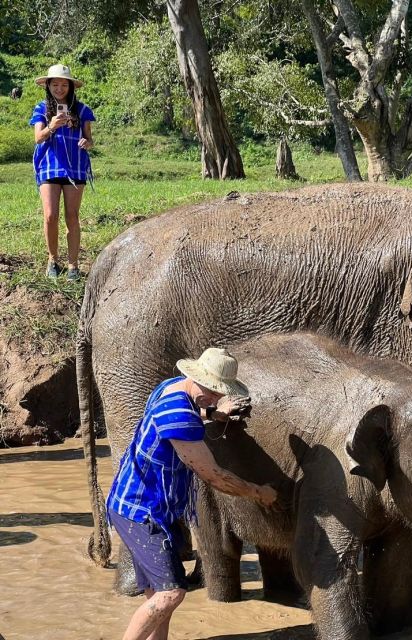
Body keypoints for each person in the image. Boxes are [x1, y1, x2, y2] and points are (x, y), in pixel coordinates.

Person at [107, 347, 279, 640]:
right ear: (194, 376)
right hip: (141, 511)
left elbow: (193, 408)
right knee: (171, 593)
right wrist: (259, 493)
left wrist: (212, 412)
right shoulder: (178, 415)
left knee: (156, 593)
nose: (213, 397)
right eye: (210, 390)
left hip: (138, 502)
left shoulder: (171, 387)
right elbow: (215, 477)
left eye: (218, 393)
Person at [29, 64, 95, 280]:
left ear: (70, 86)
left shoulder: (82, 110)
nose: (59, 88)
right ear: (48, 86)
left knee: (72, 216)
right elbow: (38, 138)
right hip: (49, 165)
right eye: (55, 84)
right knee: (50, 216)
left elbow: (89, 138)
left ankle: (73, 265)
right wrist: (52, 126)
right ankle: (52, 260)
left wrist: (87, 142)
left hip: (75, 166)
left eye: (63, 84)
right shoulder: (41, 109)